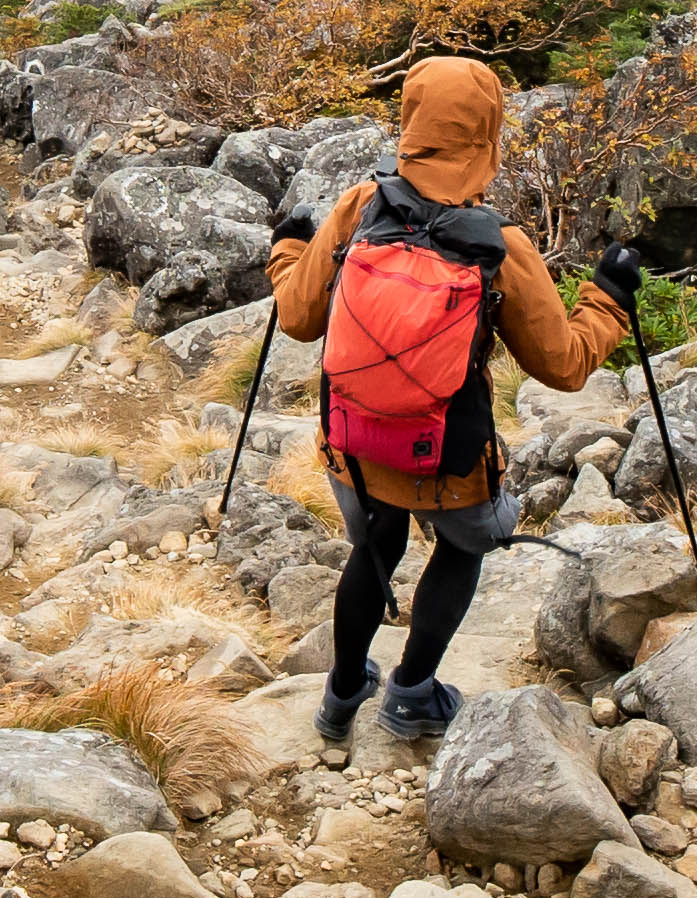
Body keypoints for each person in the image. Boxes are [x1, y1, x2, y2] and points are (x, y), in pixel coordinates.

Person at [262, 52, 638, 752]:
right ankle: (411, 695)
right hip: (448, 457)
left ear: (409, 121)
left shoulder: (355, 208)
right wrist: (609, 299)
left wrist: (287, 250)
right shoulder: (502, 247)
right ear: (488, 137)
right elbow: (563, 366)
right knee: (466, 549)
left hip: (354, 445)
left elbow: (297, 318)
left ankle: (341, 695)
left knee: (374, 547)